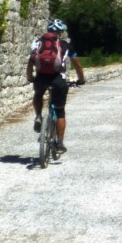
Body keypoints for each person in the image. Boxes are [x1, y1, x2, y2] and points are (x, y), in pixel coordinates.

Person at [26, 18, 85, 154]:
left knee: (38, 95)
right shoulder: (65, 45)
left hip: (41, 78)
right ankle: (59, 144)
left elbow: (30, 62)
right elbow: (77, 64)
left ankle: (39, 116)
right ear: (61, 32)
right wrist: (81, 79)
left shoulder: (37, 44)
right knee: (60, 112)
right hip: (59, 80)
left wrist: (30, 77)